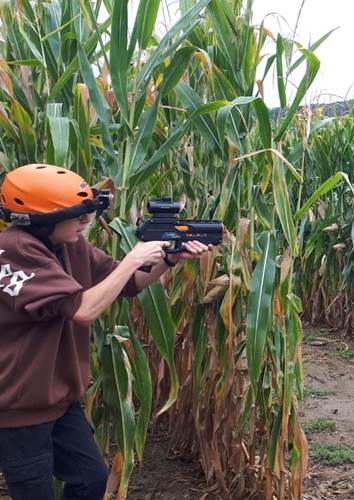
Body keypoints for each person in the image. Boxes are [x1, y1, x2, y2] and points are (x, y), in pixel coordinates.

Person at [0, 164, 214, 500]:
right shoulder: (14, 251)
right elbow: (83, 310)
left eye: (89, 212)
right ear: (41, 220)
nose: (86, 222)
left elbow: (127, 284)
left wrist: (169, 259)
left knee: (90, 479)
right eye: (78, 215)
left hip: (60, 401)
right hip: (20, 406)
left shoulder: (67, 243)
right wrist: (133, 258)